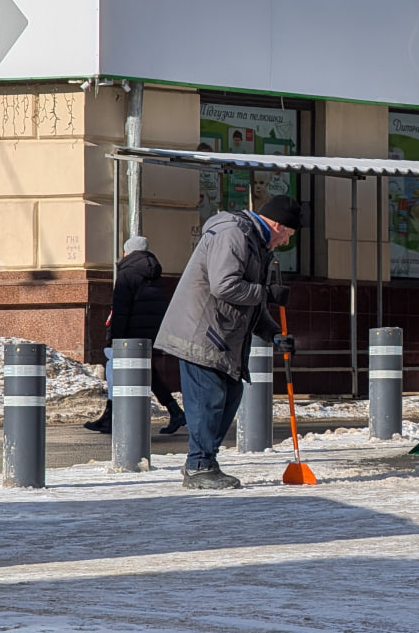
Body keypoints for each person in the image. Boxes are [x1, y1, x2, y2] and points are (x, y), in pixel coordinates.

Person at [155, 196, 300, 490]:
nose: (285, 242)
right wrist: (267, 293)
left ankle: (204, 462)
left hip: (223, 337)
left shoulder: (254, 243)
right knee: (209, 403)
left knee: (228, 399)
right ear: (276, 224)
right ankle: (199, 466)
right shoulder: (233, 234)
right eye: (287, 234)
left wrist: (273, 335)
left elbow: (249, 306)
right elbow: (225, 286)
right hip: (203, 334)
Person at [84, 236, 187, 435]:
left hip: (130, 332)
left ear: (128, 252)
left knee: (114, 368)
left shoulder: (127, 273)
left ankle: (112, 416)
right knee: (148, 372)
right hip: (149, 330)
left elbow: (121, 308)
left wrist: (115, 338)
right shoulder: (154, 271)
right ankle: (175, 411)